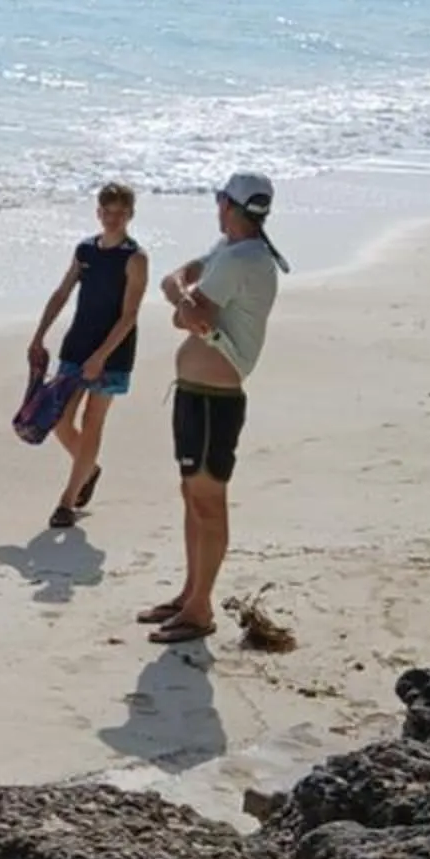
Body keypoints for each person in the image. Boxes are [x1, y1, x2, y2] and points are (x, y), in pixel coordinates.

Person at [141, 172, 289, 646]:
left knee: (208, 498)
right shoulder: (230, 250)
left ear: (229, 204)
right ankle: (190, 594)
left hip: (214, 398)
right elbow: (179, 284)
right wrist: (184, 298)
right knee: (192, 494)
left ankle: (200, 607)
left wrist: (184, 300)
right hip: (195, 393)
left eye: (220, 200)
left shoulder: (242, 258)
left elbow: (187, 310)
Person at [27, 182, 149, 529]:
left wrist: (102, 356)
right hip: (77, 345)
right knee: (59, 418)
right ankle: (90, 468)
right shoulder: (85, 251)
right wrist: (39, 336)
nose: (113, 219)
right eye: (107, 212)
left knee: (94, 420)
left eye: (120, 213)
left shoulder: (135, 258)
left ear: (130, 215)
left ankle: (67, 501)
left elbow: (130, 315)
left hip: (114, 350)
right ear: (98, 213)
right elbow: (62, 293)